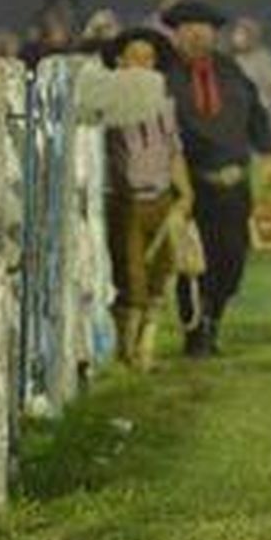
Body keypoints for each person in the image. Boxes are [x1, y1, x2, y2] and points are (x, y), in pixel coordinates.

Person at [161, 0, 271, 357]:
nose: (198, 35)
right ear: (177, 34)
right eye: (189, 28)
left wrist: (269, 152)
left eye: (205, 28)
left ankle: (213, 317)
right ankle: (196, 331)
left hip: (234, 184)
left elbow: (256, 112)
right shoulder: (165, 76)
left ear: (214, 33)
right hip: (190, 184)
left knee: (232, 260)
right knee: (193, 262)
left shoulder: (231, 71)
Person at [99, 28, 194, 370]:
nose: (141, 65)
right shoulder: (108, 106)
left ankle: (145, 352)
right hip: (127, 202)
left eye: (148, 59)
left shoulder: (163, 104)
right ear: (120, 62)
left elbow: (174, 150)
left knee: (159, 279)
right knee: (131, 278)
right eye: (134, 58)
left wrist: (186, 193)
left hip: (162, 199)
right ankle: (127, 353)